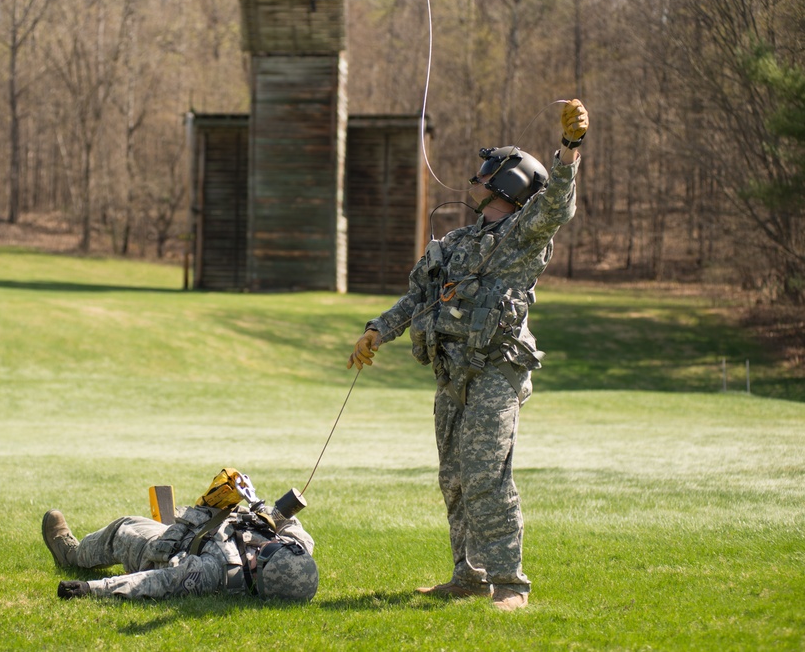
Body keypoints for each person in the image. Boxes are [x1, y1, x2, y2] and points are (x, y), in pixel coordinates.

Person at [347, 99, 589, 611]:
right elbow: (418, 299)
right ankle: (469, 575)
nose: (473, 179)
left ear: (508, 183)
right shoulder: (456, 241)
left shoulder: (523, 237)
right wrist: (376, 331)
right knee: (454, 477)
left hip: (496, 370)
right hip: (451, 372)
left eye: (484, 172)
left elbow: (556, 209)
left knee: (485, 472)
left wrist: (568, 151)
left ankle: (509, 584)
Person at [42, 468, 318, 602]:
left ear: (261, 578)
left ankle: (71, 554)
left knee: (125, 528)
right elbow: (290, 526)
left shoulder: (215, 571)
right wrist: (260, 508)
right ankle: (184, 514)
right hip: (210, 522)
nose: (265, 546)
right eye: (274, 545)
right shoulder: (294, 552)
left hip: (171, 550)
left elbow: (159, 581)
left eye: (264, 554)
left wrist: (93, 589)